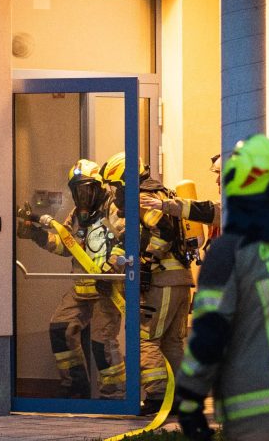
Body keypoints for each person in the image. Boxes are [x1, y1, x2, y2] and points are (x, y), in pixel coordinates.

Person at [175, 134, 269, 441]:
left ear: (237, 182)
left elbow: (210, 333)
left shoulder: (230, 251)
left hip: (257, 417)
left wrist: (189, 400)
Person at [17, 159, 126, 400]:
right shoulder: (76, 215)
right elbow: (65, 245)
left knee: (101, 343)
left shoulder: (114, 209)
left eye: (86, 190)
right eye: (77, 191)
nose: (81, 197)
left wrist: (110, 272)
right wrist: (36, 234)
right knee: (60, 329)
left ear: (98, 188)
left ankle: (115, 397)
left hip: (107, 289)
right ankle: (76, 389)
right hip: (81, 288)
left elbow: (125, 242)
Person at [100, 152, 194, 415]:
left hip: (163, 282)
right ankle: (181, 398)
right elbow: (136, 239)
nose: (114, 193)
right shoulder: (161, 193)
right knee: (172, 343)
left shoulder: (141, 198)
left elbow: (164, 232)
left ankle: (158, 396)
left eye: (116, 186)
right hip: (180, 280)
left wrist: (146, 260)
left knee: (144, 339)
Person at [141, 154, 221, 247]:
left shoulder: (231, 209)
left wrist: (164, 205)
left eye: (221, 175)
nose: (217, 180)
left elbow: (205, 210)